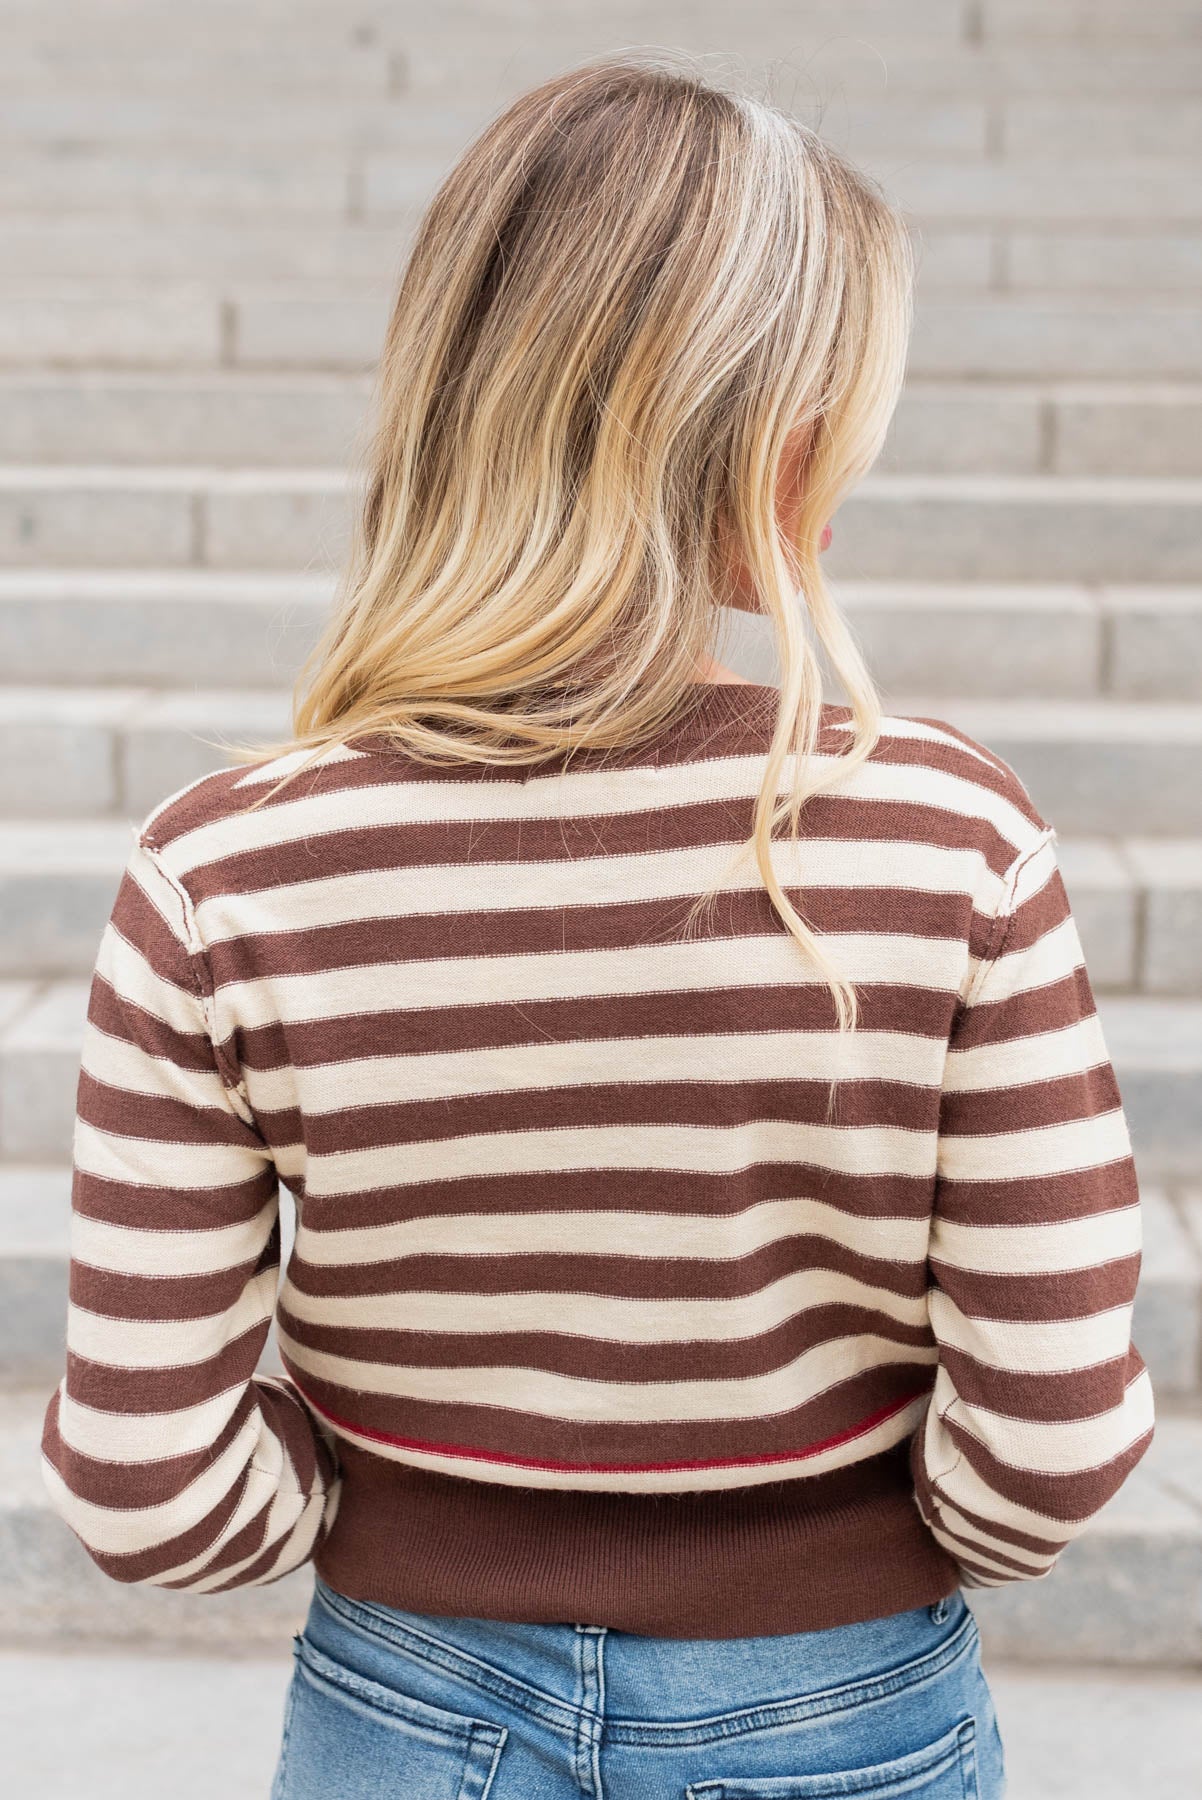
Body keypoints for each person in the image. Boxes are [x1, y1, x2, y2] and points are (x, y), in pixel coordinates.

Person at [40, 55, 1154, 1800]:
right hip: (842, 1700)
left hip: (399, 1696)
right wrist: (854, 1539)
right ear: (759, 429)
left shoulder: (222, 872)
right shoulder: (953, 841)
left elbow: (143, 1482)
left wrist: (376, 1509)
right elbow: (1058, 1435)